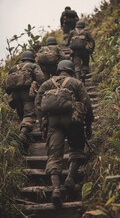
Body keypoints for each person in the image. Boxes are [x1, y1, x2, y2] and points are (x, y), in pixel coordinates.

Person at [35, 59, 94, 207]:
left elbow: (38, 104)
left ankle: (56, 189)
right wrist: (88, 124)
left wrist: (43, 126)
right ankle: (70, 178)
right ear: (71, 70)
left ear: (58, 70)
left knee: (54, 155)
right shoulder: (76, 83)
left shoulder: (47, 84)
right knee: (76, 149)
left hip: (53, 123)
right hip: (73, 121)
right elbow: (86, 103)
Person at [5, 51, 46, 146]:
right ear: (32, 58)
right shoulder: (33, 66)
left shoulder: (13, 68)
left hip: (14, 95)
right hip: (27, 93)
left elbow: (6, 84)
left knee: (21, 115)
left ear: (22, 58)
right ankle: (23, 133)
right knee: (29, 115)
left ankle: (24, 136)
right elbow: (41, 78)